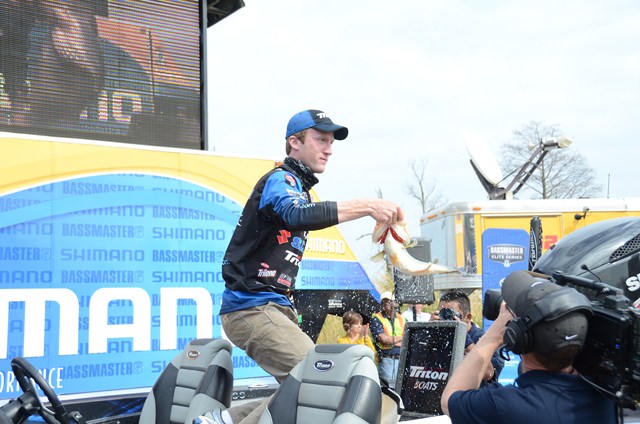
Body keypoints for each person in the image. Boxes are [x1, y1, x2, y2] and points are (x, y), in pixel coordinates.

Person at [218, 109, 405, 424]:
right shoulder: (281, 179)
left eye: (331, 142)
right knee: (322, 379)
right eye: (321, 140)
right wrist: (368, 205)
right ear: (295, 142)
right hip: (252, 307)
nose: (329, 149)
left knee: (299, 388)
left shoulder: (299, 187)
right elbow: (297, 215)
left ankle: (221, 420)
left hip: (271, 307)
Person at [441, 270, 618, 423]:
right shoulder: (605, 397)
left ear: (519, 338)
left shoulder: (506, 405)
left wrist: (493, 335)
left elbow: (450, 399)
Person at [432, 290, 504, 383]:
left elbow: (489, 375)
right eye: (443, 314)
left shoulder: (484, 339)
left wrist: (463, 338)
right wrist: (428, 332)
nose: (447, 319)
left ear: (468, 317)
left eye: (451, 315)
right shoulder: (440, 337)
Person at [370, 291, 405, 389]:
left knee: (400, 389)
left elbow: (408, 338)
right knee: (387, 389)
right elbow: (383, 339)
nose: (386, 305)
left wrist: (393, 341)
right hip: (386, 360)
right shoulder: (376, 318)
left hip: (401, 359)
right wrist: (400, 339)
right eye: (384, 303)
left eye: (389, 302)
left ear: (395, 303)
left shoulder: (402, 319)